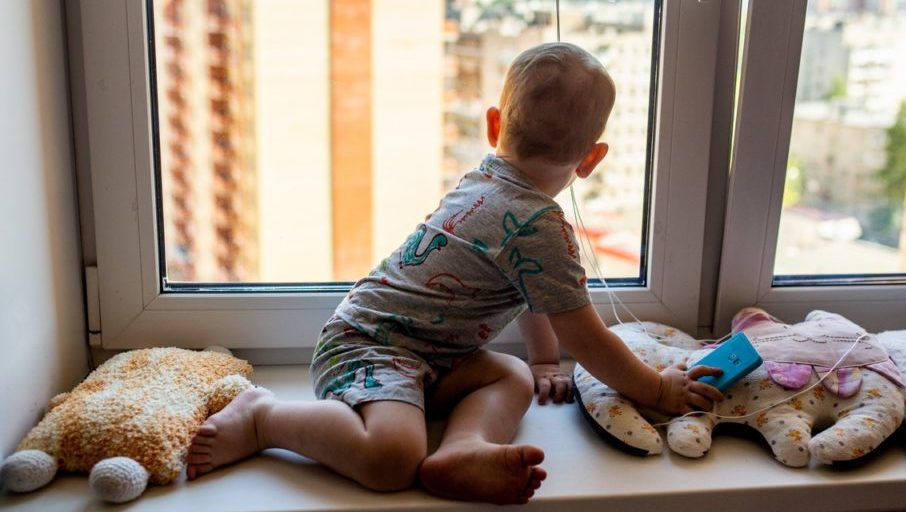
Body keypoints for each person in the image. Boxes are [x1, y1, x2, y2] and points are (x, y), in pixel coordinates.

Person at [185, 42, 725, 505]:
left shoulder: (483, 179)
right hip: (369, 348)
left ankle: (464, 448)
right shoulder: (540, 225)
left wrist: (541, 362)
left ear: (494, 125)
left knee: (512, 376)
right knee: (392, 460)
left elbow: (533, 288)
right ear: (591, 159)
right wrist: (658, 389)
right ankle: (263, 417)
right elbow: (584, 336)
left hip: (426, 356)